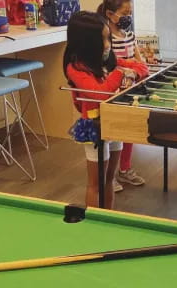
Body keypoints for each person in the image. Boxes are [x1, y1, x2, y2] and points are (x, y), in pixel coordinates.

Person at [64, 11, 148, 209]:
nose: (107, 44)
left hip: (114, 122)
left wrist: (133, 72)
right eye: (102, 39)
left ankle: (108, 218)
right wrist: (120, 73)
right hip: (94, 127)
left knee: (110, 179)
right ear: (86, 44)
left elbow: (141, 67)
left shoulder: (107, 60)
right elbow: (99, 93)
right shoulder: (76, 68)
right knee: (96, 183)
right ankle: (94, 226)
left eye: (108, 37)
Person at [97, 0, 145, 192]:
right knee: (111, 134)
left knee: (128, 131)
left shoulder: (129, 35)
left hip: (129, 89)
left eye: (130, 13)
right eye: (124, 14)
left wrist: (142, 67)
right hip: (112, 90)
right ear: (110, 14)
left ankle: (124, 170)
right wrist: (128, 69)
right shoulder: (106, 37)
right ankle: (108, 175)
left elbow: (138, 59)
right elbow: (108, 63)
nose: (128, 18)